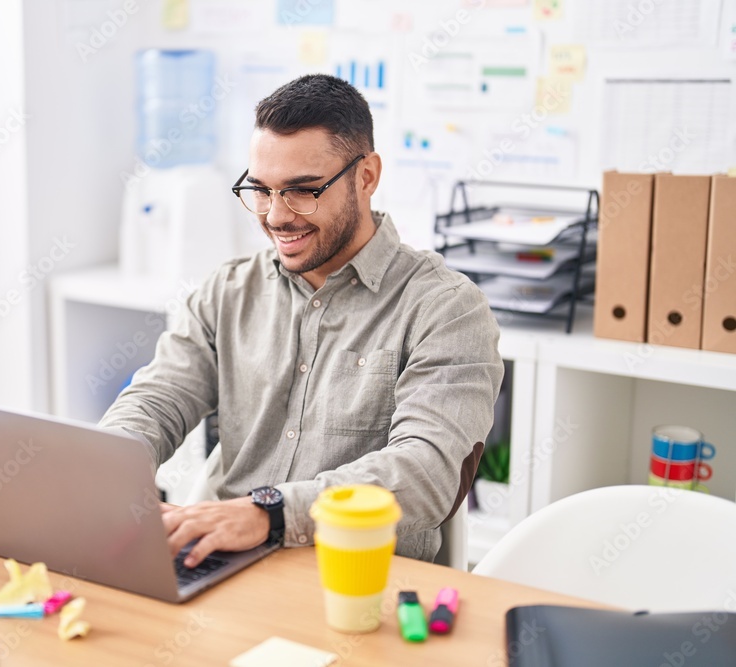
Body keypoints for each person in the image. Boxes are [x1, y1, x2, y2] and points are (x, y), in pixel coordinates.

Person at [100, 73, 504, 568]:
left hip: (362, 584)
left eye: (302, 191)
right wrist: (111, 470)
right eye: (261, 190)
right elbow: (157, 400)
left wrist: (268, 513)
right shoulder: (227, 292)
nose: (275, 216)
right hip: (225, 569)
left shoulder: (445, 309)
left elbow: (424, 473)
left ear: (367, 176)